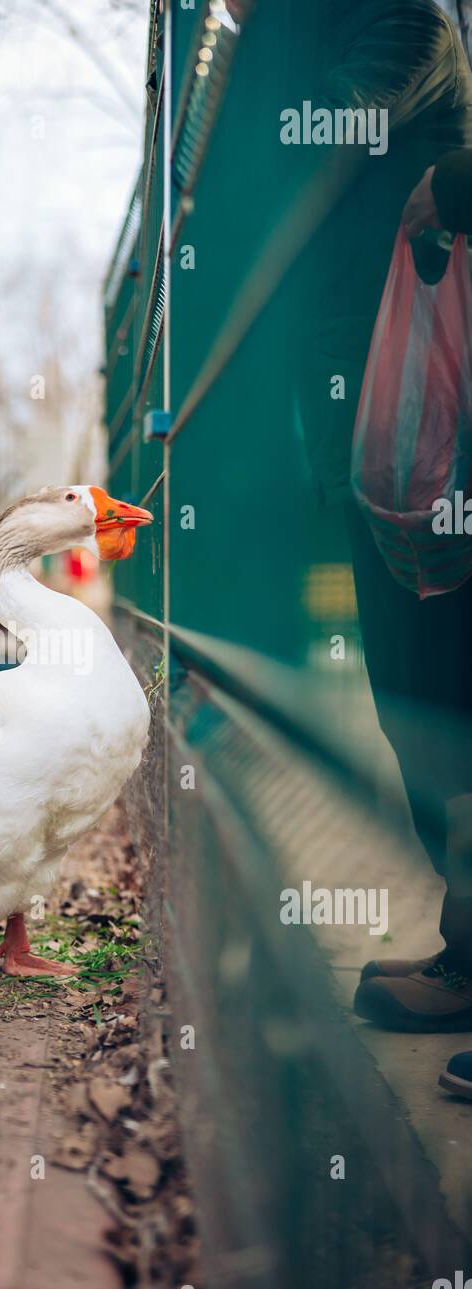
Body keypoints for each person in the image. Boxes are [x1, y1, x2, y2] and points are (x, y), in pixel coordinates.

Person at [293, 1, 472, 1030]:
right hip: (380, 421)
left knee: (439, 695)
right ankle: (463, 949)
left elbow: (406, 53)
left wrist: (279, 137)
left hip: (428, 411)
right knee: (416, 705)